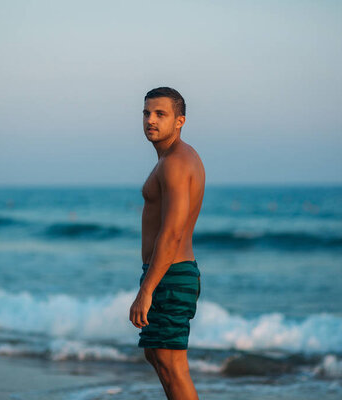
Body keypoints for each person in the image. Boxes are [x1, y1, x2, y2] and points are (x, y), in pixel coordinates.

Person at [129, 87, 205, 399]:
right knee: (157, 355)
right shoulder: (171, 159)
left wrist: (146, 290)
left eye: (161, 114)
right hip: (166, 272)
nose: (151, 120)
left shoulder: (176, 162)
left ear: (179, 121)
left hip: (171, 274)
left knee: (172, 364)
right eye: (147, 113)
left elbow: (172, 232)